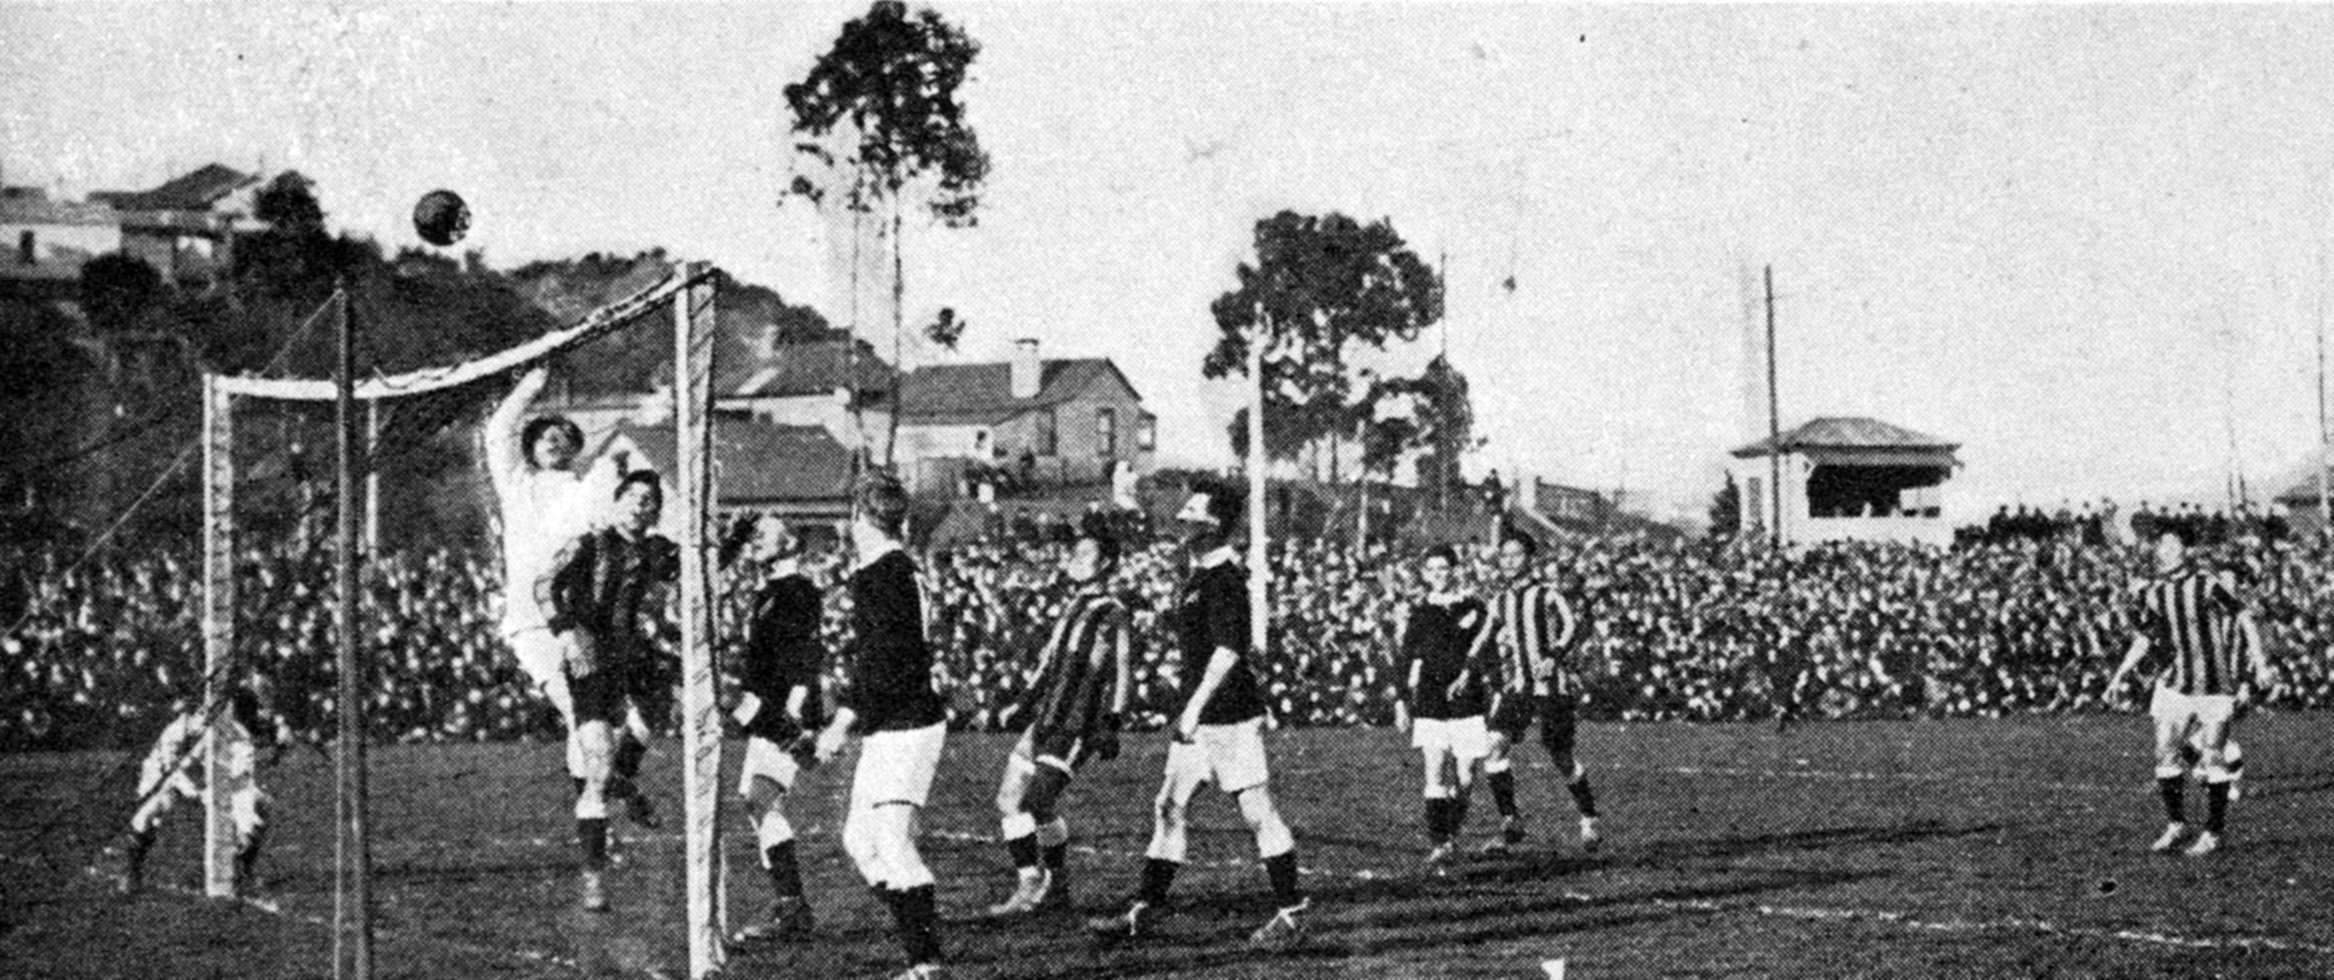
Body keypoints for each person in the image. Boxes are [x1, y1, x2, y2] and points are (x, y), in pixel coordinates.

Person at [1088, 478, 1309, 951]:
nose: (1182, 517)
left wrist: (1192, 706)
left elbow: (1230, 650)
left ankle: (1292, 912)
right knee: (1169, 805)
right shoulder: (1200, 574)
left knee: (1257, 812)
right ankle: (1143, 910)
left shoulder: (1225, 577)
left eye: (1193, 510)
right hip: (1203, 717)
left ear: (1214, 525)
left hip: (1226, 716)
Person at [486, 367, 654, 822]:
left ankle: (604, 794)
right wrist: (534, 383)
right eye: (544, 435)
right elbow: (499, 429)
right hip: (535, 622)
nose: (554, 439)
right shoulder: (516, 485)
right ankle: (604, 796)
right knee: (580, 713)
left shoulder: (589, 489)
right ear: (531, 446)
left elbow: (621, 534)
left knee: (613, 718)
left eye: (564, 434)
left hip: (582, 621)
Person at [815, 471, 948, 980]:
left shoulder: (883, 573)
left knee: (892, 842)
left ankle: (926, 962)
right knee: (861, 841)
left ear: (857, 518)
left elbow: (884, 662)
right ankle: (920, 943)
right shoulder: (892, 567)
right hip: (896, 721)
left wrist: (841, 722)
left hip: (907, 723)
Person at [539, 471, 680, 911]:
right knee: (597, 767)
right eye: (633, 497)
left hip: (634, 656)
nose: (641, 505)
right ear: (618, 503)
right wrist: (565, 634)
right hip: (590, 657)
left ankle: (627, 782)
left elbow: (699, 570)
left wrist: (730, 541)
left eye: (649, 499)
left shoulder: (659, 550)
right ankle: (593, 877)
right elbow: (545, 586)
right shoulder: (589, 543)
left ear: (657, 509)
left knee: (654, 708)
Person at [987, 514, 1132, 916]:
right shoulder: (1071, 606)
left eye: (1085, 552)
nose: (1074, 557)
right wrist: (1022, 702)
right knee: (1008, 799)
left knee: (1037, 800)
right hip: (1046, 719)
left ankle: (1056, 882)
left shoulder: (1112, 611)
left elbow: (1122, 669)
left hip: (1077, 725)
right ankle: (1032, 883)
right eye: (1075, 551)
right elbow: (1048, 662)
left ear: (1104, 563)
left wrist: (1113, 721)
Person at [2106, 529, 2272, 858]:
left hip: (2214, 684)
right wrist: (2119, 675)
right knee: (2164, 752)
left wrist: (2261, 664)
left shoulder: (2207, 584)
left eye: (2175, 543)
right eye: (2163, 545)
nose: (2168, 549)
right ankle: (2176, 824)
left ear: (2185, 550)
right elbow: (2146, 638)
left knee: (2212, 755)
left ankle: (2213, 832)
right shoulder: (2153, 593)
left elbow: (2243, 617)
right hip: (2176, 683)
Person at [1461, 529, 1603, 856]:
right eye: (1505, 555)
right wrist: (1467, 670)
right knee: (1494, 748)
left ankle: (1589, 816)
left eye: (1516, 555)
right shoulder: (1500, 602)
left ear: (1530, 559)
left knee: (1561, 756)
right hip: (1520, 687)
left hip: (1552, 687)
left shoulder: (1548, 594)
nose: (1509, 561)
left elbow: (1571, 627)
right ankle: (1511, 821)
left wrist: (1553, 657)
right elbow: (1482, 639)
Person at [722, 514, 827, 943]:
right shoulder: (768, 591)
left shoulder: (796, 590)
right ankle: (790, 904)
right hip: (764, 711)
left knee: (762, 797)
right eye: (753, 537)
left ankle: (792, 905)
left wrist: (794, 719)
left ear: (789, 543)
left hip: (782, 713)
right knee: (755, 799)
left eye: (764, 534)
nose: (755, 542)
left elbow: (806, 657)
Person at [1392, 544, 1491, 867]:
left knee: (1465, 778)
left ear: (1454, 571)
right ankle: (1440, 842)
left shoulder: (1473, 606)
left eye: (1444, 568)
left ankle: (1451, 833)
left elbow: (1486, 650)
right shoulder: (1420, 612)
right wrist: (1401, 701)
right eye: (1432, 569)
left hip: (1466, 699)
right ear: (1424, 574)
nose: (1438, 574)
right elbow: (1406, 657)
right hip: (1432, 699)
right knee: (1434, 772)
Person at [118, 687, 272, 895]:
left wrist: (244, 823)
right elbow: (172, 768)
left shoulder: (239, 738)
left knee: (259, 805)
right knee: (151, 811)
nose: (205, 715)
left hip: (214, 780)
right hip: (169, 774)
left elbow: (241, 781)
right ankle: (131, 870)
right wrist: (197, 786)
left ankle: (242, 871)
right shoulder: (178, 731)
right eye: (202, 711)